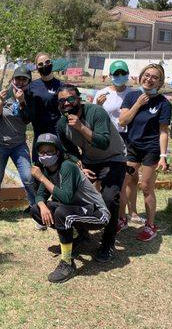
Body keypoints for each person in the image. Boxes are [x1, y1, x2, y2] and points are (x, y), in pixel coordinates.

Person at [56, 85, 126, 262]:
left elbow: (103, 142)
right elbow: (68, 149)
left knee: (110, 199)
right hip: (89, 161)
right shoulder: (61, 124)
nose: (66, 103)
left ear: (79, 99)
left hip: (113, 158)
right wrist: (78, 165)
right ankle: (83, 232)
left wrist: (80, 127)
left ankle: (108, 242)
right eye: (61, 101)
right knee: (75, 195)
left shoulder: (96, 112)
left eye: (70, 99)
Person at [30, 133, 110, 283]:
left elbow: (66, 197)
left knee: (62, 213)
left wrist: (41, 178)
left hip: (98, 213)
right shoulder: (48, 169)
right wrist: (42, 206)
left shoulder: (67, 167)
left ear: (58, 152)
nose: (45, 155)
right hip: (78, 209)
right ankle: (80, 236)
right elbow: (40, 195)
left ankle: (67, 263)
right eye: (42, 152)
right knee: (36, 210)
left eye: (50, 151)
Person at [119, 63, 171, 241]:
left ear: (160, 82)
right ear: (141, 76)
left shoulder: (164, 103)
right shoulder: (132, 96)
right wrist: (138, 104)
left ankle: (150, 225)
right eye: (146, 75)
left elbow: (163, 132)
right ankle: (122, 219)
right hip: (132, 147)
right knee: (125, 181)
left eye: (154, 77)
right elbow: (123, 121)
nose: (149, 79)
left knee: (146, 187)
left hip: (151, 150)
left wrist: (163, 156)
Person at [93, 60, 141, 229]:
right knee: (102, 175)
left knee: (130, 177)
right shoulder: (103, 93)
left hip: (128, 137)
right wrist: (98, 105)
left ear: (127, 74)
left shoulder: (135, 94)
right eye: (116, 74)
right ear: (110, 75)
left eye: (122, 73)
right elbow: (93, 116)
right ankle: (103, 209)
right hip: (107, 138)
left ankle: (132, 212)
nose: (120, 76)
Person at [0, 66, 35, 219]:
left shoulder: (30, 97)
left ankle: (34, 209)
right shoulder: (3, 93)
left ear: (28, 81)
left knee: (27, 177)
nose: (20, 82)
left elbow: (27, 119)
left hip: (18, 145)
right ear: (13, 79)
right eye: (18, 78)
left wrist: (22, 102)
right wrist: (1, 101)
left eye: (24, 79)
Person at [26, 53, 66, 163]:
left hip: (56, 131)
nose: (44, 65)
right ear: (37, 67)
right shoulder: (32, 86)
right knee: (39, 164)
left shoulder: (61, 86)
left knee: (57, 163)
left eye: (47, 62)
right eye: (40, 64)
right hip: (39, 132)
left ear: (51, 63)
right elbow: (26, 108)